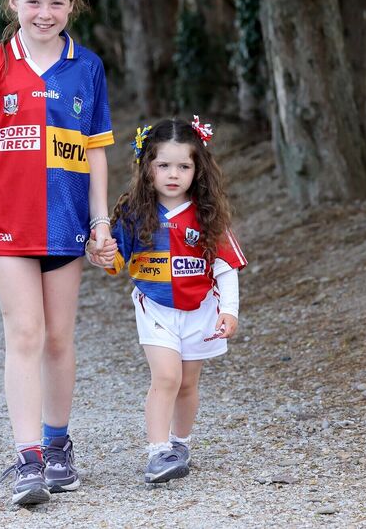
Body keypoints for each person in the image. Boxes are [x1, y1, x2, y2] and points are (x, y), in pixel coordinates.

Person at [0, 0, 114, 506]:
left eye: (57, 3)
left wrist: (100, 220)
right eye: (34, 1)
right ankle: (27, 460)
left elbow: (93, 153)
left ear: (73, 7)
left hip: (66, 228)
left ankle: (57, 443)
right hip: (9, 229)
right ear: (13, 1)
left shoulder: (86, 67)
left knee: (59, 340)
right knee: (24, 334)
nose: (45, 12)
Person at [87, 116, 246, 485]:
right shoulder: (133, 212)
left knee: (188, 384)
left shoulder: (208, 216)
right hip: (155, 307)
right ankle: (158, 452)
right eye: (163, 165)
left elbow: (225, 267)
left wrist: (229, 310)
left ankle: (180, 443)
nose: (173, 174)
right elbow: (116, 260)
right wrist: (102, 253)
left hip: (200, 310)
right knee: (166, 377)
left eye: (184, 166)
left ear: (197, 170)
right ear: (147, 168)